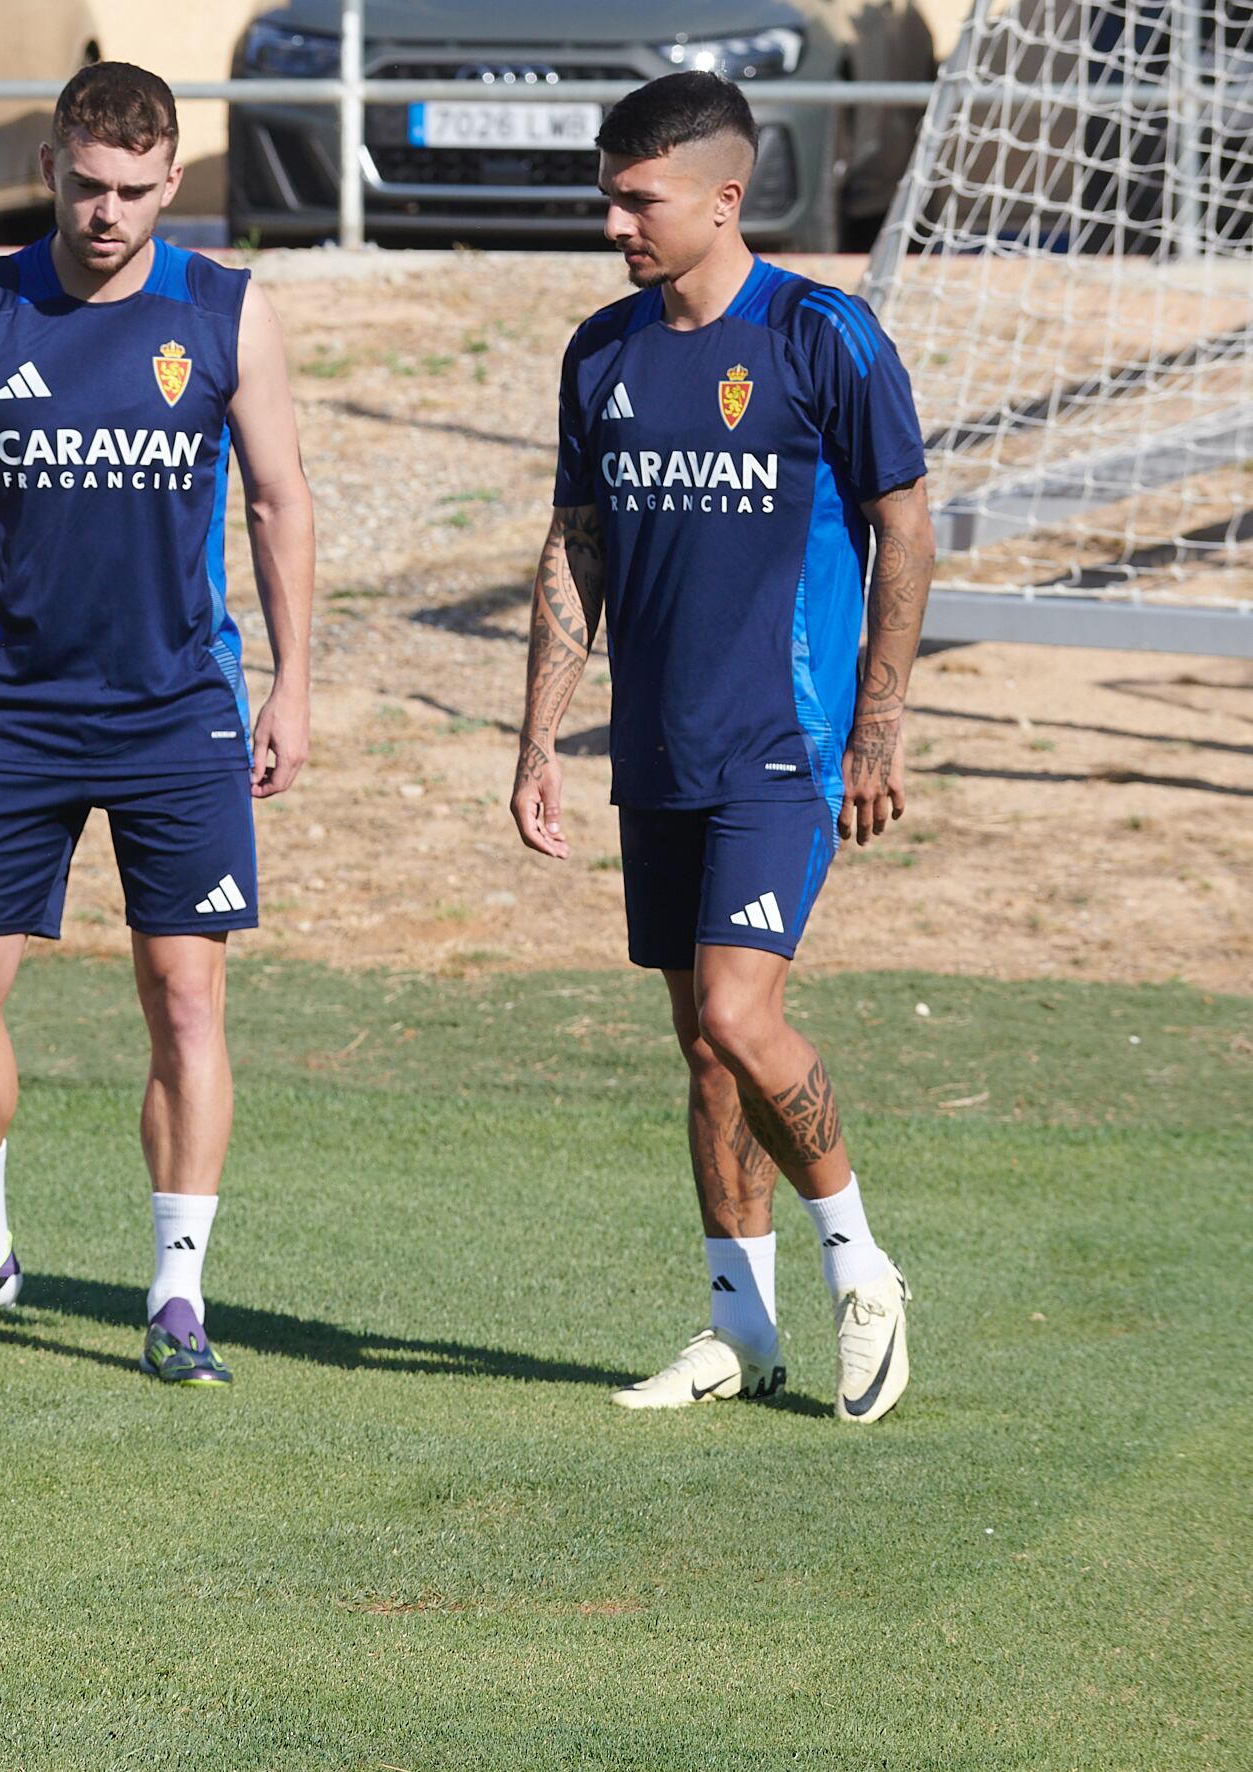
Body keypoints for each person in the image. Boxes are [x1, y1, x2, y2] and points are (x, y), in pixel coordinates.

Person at [0, 61, 315, 1385]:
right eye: (85, 184)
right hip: (15, 715)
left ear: (170, 181)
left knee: (182, 1000)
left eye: (133, 189)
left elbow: (279, 500)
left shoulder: (229, 312)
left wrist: (292, 681)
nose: (106, 212)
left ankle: (177, 1296)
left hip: (179, 713)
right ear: (49, 168)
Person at [509, 73, 935, 1423]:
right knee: (699, 1048)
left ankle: (861, 1270)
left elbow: (905, 526)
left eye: (638, 204)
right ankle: (735, 1327)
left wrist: (875, 727)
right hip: (657, 750)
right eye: (608, 202)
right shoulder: (601, 351)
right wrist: (535, 739)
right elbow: (574, 547)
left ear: (722, 199)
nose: (615, 228)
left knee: (739, 1015)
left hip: (783, 744)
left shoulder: (823, 336)